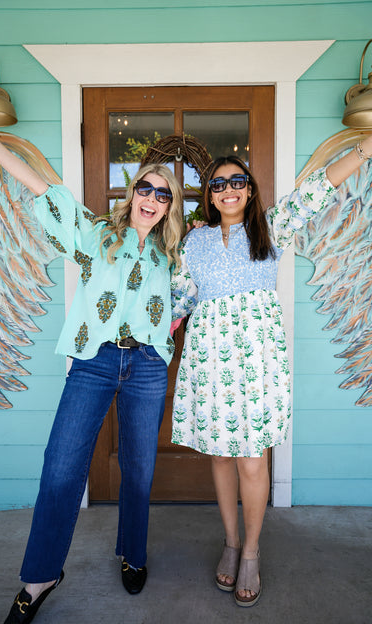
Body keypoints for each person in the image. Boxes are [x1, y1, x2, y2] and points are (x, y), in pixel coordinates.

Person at [0, 103, 185, 623]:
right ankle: (40, 576)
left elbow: (190, 299)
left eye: (163, 193)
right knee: (61, 471)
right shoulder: (96, 232)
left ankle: (133, 552)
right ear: (133, 197)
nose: (151, 198)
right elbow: (42, 189)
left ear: (171, 207)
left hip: (147, 367)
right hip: (94, 362)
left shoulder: (174, 256)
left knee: (140, 471)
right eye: (144, 189)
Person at [170, 137, 372, 607]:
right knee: (221, 456)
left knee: (252, 459)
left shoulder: (271, 226)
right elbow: (178, 300)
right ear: (210, 194)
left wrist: (363, 149)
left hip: (258, 359)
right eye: (218, 184)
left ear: (250, 189)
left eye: (237, 181)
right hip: (209, 358)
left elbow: (318, 188)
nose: (228, 189)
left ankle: (253, 550)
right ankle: (231, 542)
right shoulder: (193, 241)